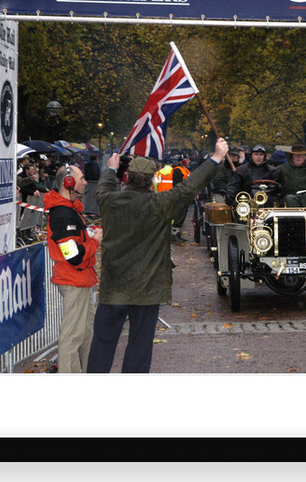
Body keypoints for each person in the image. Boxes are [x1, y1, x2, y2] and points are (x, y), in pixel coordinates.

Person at [87, 138, 229, 373]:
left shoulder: (109, 202)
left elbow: (102, 189)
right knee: (139, 347)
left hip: (114, 287)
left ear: (127, 178)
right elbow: (189, 187)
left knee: (103, 342)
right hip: (147, 288)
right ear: (152, 180)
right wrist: (215, 158)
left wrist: (110, 169)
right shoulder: (160, 204)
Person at [43, 165, 102, 373]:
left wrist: (89, 237)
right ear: (68, 182)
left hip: (81, 280)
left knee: (86, 334)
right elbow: (73, 255)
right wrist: (95, 242)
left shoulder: (69, 210)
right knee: (72, 337)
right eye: (82, 178)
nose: (85, 182)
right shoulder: (63, 214)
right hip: (73, 279)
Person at [170, 154, 192, 243]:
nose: (189, 161)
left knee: (182, 216)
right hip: (180, 196)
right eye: (187, 159)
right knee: (178, 216)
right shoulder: (178, 171)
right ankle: (174, 235)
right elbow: (177, 185)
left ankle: (178, 234)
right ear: (182, 161)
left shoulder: (186, 170)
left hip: (185, 196)